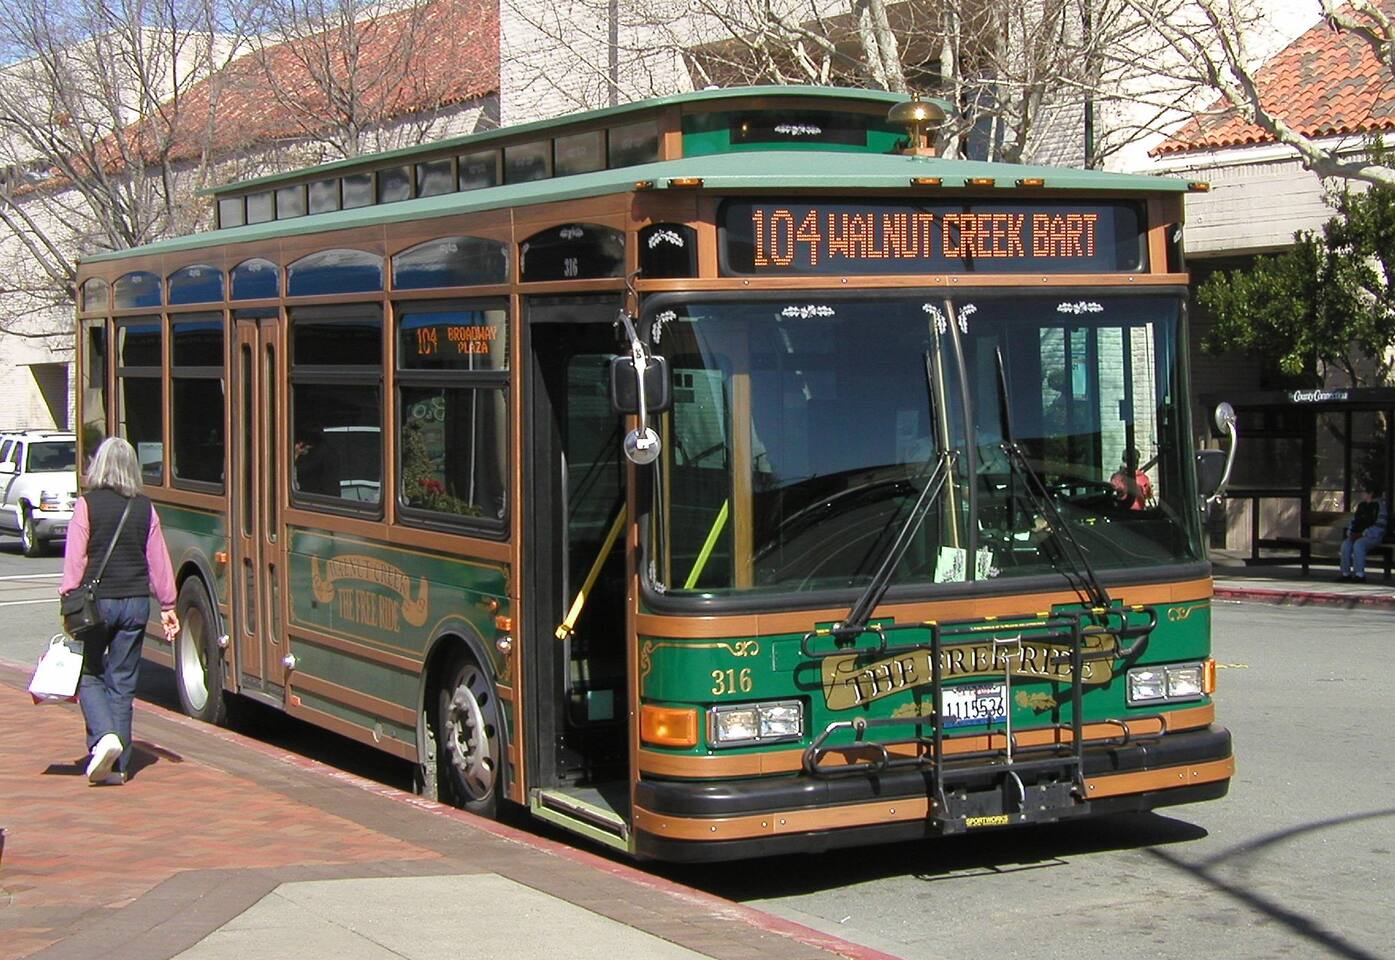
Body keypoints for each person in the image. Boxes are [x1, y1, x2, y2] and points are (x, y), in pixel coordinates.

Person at [59, 437, 179, 785]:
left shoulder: (88, 504)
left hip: (97, 605)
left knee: (89, 673)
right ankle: (119, 766)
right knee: (123, 682)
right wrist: (168, 604)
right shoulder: (144, 507)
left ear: (99, 466)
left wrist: (67, 597)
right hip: (135, 603)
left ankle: (104, 737)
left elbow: (76, 559)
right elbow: (158, 560)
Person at [1339, 486, 1389, 582]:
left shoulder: (1380, 506)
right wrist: (1351, 532)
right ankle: (1345, 574)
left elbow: (1380, 525)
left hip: (1372, 537)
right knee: (1346, 544)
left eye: (1364, 492)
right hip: (1356, 535)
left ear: (1371, 493)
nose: (1361, 493)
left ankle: (1360, 575)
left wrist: (1365, 533)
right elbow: (1354, 521)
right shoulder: (1361, 506)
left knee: (1359, 545)